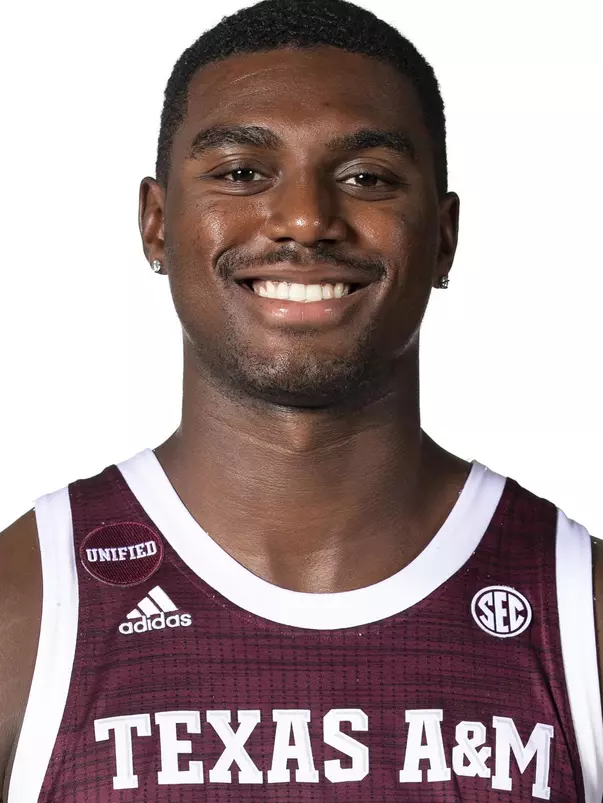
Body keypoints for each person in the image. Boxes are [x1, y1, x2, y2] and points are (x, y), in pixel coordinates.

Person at [1, 0, 601, 800]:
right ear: (155, 223)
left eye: (366, 178)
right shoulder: (26, 609)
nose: (306, 219)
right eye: (242, 172)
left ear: (443, 237)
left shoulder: (580, 615)